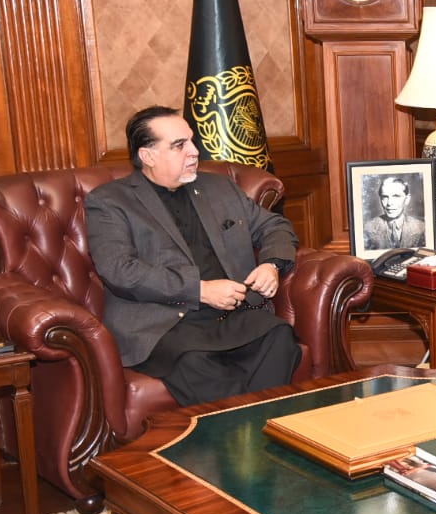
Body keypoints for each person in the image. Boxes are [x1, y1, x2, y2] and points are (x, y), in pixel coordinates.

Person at [85, 105, 301, 406]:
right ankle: (253, 426)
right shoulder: (110, 202)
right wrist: (200, 290)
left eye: (191, 141)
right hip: (164, 325)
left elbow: (274, 226)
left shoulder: (218, 187)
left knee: (278, 335)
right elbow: (120, 270)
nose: (194, 151)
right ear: (147, 156)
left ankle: (253, 425)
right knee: (196, 362)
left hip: (230, 314)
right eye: (179, 145)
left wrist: (271, 264)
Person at [363, 175, 426, 250]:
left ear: (407, 199)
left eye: (396, 196)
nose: (389, 203)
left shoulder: (421, 228)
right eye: (385, 197)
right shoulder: (368, 228)